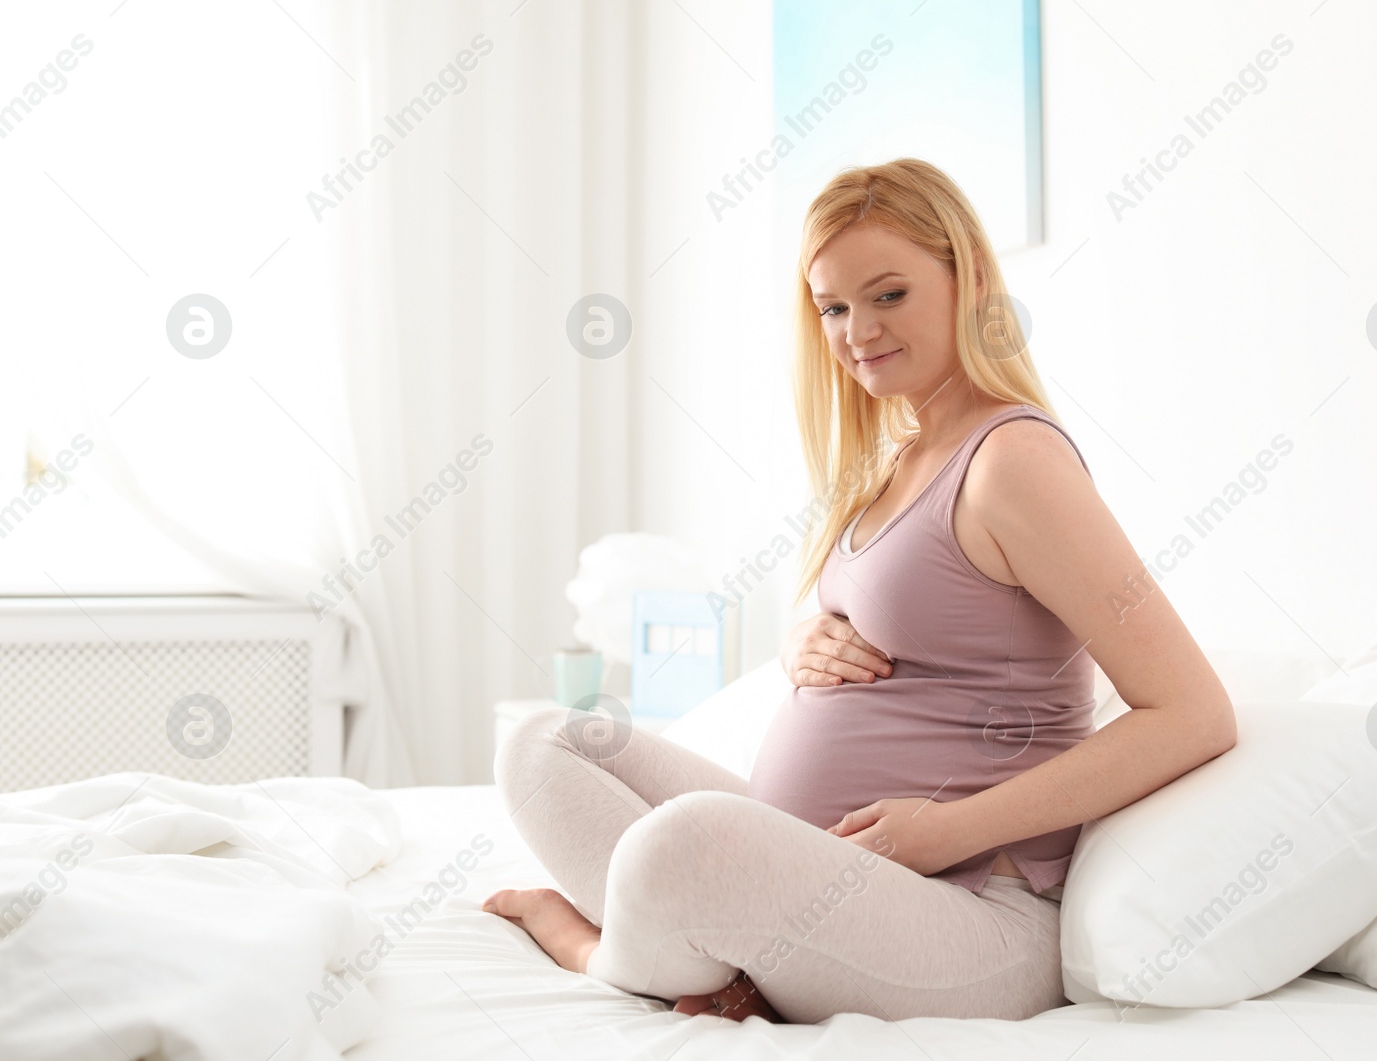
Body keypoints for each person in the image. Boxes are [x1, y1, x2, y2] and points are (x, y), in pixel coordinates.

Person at [484, 157, 1237, 1024]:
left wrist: (945, 830)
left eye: (888, 295)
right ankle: (709, 948)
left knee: (679, 847)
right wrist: (797, 641)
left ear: (971, 283)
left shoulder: (1014, 461)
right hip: (817, 867)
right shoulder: (896, 456)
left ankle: (592, 946)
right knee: (547, 743)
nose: (856, 331)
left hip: (972, 913)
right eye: (833, 307)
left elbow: (1192, 712)